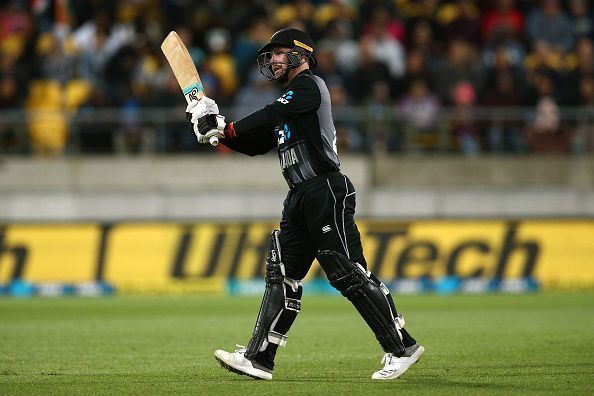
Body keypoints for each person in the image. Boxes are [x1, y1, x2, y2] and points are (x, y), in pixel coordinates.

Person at [186, 28, 424, 381]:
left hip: (325, 189)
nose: (272, 60)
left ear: (300, 54)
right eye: (270, 55)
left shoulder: (310, 86)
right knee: (282, 273)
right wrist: (216, 133)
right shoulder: (288, 108)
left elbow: (265, 115)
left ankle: (401, 347)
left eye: (279, 52)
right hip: (299, 195)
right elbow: (253, 144)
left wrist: (223, 123)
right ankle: (259, 358)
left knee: (346, 272)